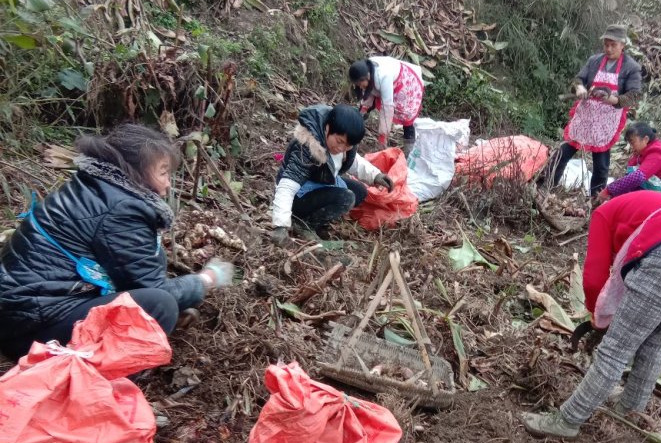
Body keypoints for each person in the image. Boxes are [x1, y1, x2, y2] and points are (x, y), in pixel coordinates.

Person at [0, 124, 233, 362]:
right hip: (32, 331)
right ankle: (108, 380)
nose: (168, 184)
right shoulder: (121, 209)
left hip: (20, 316)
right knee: (160, 305)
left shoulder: (94, 187)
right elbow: (156, 290)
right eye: (163, 173)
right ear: (135, 170)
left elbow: (130, 275)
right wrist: (206, 280)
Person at [522, 191, 661, 439]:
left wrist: (595, 316)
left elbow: (594, 276)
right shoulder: (651, 204)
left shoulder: (603, 213)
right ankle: (631, 409)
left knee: (615, 348)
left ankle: (566, 420)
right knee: (656, 340)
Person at [536, 26, 642, 198]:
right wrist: (579, 87)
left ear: (622, 45)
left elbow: (634, 95)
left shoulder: (631, 67)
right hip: (585, 115)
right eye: (606, 45)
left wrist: (614, 100)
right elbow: (579, 78)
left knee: (601, 165)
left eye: (612, 45)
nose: (608, 49)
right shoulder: (594, 60)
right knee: (562, 153)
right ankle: (546, 188)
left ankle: (596, 199)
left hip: (606, 121)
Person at [270, 104, 394, 245]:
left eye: (347, 145)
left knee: (360, 191)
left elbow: (353, 161)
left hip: (321, 182)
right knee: (346, 198)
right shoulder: (307, 147)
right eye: (339, 141)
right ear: (327, 128)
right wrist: (280, 225)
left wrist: (376, 176)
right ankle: (304, 223)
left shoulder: (343, 146)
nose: (341, 148)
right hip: (299, 194)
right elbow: (287, 185)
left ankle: (318, 216)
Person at [349, 55, 425, 156]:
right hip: (387, 79)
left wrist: (383, 136)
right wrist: (362, 111)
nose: (360, 87)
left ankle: (409, 152)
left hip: (405, 83)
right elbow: (367, 96)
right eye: (357, 84)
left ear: (367, 76)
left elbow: (387, 107)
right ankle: (352, 135)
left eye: (360, 83)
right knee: (364, 109)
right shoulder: (366, 70)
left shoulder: (383, 77)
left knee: (407, 118)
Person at [596, 122, 661, 203]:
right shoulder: (643, 151)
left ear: (645, 139)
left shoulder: (657, 152)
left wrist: (609, 190)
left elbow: (638, 177)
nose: (631, 146)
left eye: (633, 143)